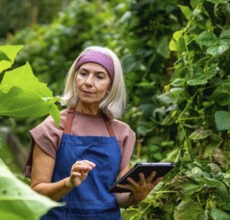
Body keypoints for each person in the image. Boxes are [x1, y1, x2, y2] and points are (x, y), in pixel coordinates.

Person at [24, 46, 162, 220]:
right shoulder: (52, 127)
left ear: (110, 86)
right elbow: (37, 192)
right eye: (83, 73)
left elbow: (119, 197)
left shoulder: (122, 133)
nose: (88, 82)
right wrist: (69, 183)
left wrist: (137, 196)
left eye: (99, 76)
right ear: (74, 78)